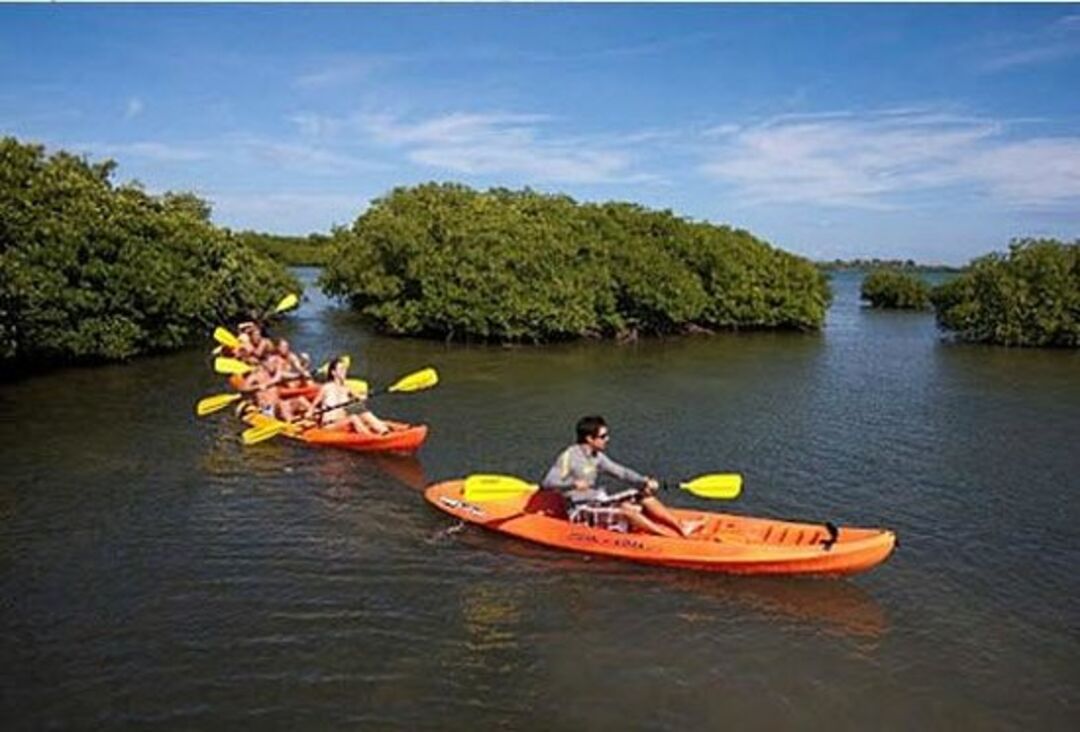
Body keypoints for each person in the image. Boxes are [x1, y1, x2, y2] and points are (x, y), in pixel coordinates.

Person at [541, 415, 703, 538]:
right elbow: (548, 483)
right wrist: (573, 485)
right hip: (579, 510)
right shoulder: (569, 456)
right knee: (627, 511)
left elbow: (622, 473)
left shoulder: (597, 457)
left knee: (643, 495)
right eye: (603, 436)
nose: (607, 439)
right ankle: (667, 537)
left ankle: (681, 527)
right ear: (590, 439)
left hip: (597, 502)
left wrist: (644, 481)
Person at [308, 356, 390, 435]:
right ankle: (371, 437)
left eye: (344, 369)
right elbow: (313, 405)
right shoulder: (326, 388)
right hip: (329, 425)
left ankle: (383, 430)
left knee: (358, 407)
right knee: (353, 416)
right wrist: (310, 413)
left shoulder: (346, 388)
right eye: (341, 369)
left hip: (343, 421)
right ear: (333, 373)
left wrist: (362, 398)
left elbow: (359, 399)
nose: (344, 372)